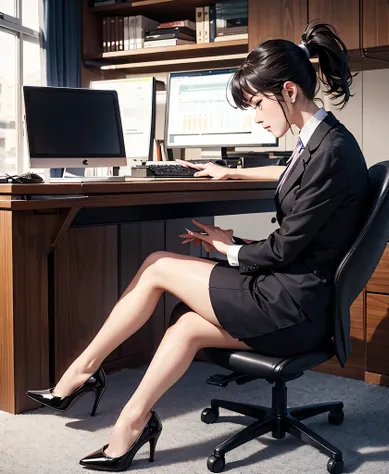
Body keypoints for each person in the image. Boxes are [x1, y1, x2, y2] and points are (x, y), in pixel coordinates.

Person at [26, 21, 369, 471]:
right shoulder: (323, 141)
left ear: (288, 92)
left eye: (257, 105)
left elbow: (286, 249)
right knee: (185, 325)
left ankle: (78, 375)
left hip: (292, 306)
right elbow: (295, 192)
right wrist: (233, 207)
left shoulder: (331, 153)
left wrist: (229, 250)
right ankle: (133, 423)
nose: (255, 118)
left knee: (157, 265)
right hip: (300, 300)